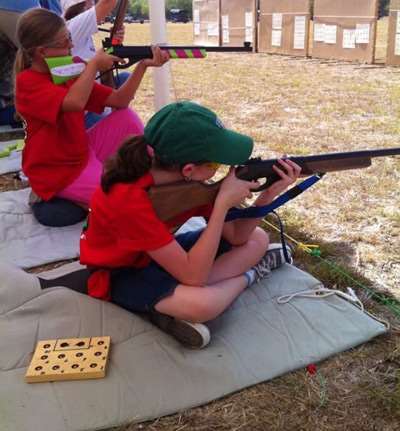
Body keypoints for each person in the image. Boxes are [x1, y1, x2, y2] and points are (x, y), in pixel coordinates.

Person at [80, 101, 302, 349]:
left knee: (258, 238)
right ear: (188, 169)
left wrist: (268, 193)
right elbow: (194, 276)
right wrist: (221, 206)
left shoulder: (187, 186)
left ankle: (175, 301)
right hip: (121, 273)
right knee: (202, 305)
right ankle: (253, 274)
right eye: (215, 166)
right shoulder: (129, 199)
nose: (221, 172)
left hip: (161, 255)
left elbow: (237, 236)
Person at [14, 8, 169, 225]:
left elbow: (119, 101)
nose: (70, 45)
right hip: (58, 170)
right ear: (42, 52)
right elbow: (74, 103)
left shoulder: (68, 67)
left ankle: (152, 169)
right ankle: (65, 196)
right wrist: (93, 65)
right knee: (123, 200)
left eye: (68, 38)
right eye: (64, 42)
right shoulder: (28, 82)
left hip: (82, 150)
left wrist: (143, 65)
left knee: (126, 117)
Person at [61, 0, 128, 128]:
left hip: (89, 95)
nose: (92, 6)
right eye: (88, 3)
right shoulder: (72, 27)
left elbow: (101, 66)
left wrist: (115, 42)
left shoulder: (81, 33)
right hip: (84, 111)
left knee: (125, 78)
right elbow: (107, 3)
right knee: (125, 119)